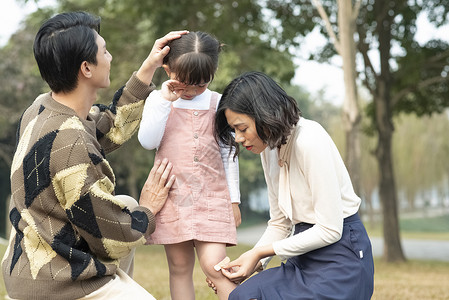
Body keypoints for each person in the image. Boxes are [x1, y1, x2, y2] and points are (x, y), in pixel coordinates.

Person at [1, 11, 186, 300]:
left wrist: (149, 66)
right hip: (56, 283)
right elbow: (111, 237)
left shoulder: (41, 109)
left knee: (124, 202)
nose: (110, 57)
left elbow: (107, 126)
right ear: (87, 68)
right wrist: (149, 209)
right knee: (131, 213)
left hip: (29, 264)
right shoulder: (70, 140)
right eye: (105, 51)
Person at [213, 71, 374, 299]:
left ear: (264, 115)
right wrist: (252, 262)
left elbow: (330, 229)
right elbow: (280, 222)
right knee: (242, 296)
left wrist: (259, 252)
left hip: (341, 257)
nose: (238, 138)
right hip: (302, 256)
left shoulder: (310, 139)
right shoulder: (267, 149)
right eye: (234, 131)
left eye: (242, 128)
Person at [137, 31, 241, 300]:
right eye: (185, 83)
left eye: (201, 84)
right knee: (179, 267)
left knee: (216, 266)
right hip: (173, 197)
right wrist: (163, 101)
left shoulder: (220, 104)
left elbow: (230, 154)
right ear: (167, 68)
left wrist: (234, 200)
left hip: (213, 197)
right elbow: (148, 141)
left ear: (213, 72)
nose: (193, 90)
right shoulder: (157, 101)